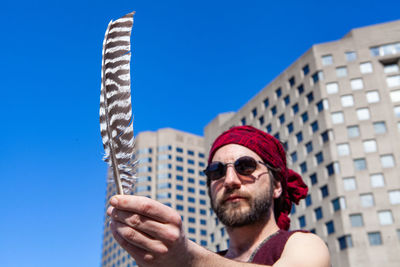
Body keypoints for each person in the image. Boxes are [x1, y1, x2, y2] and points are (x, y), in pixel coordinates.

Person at [107, 126, 331, 267]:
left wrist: (187, 257)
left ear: (277, 186)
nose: (230, 180)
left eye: (246, 166)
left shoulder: (303, 244)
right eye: (217, 171)